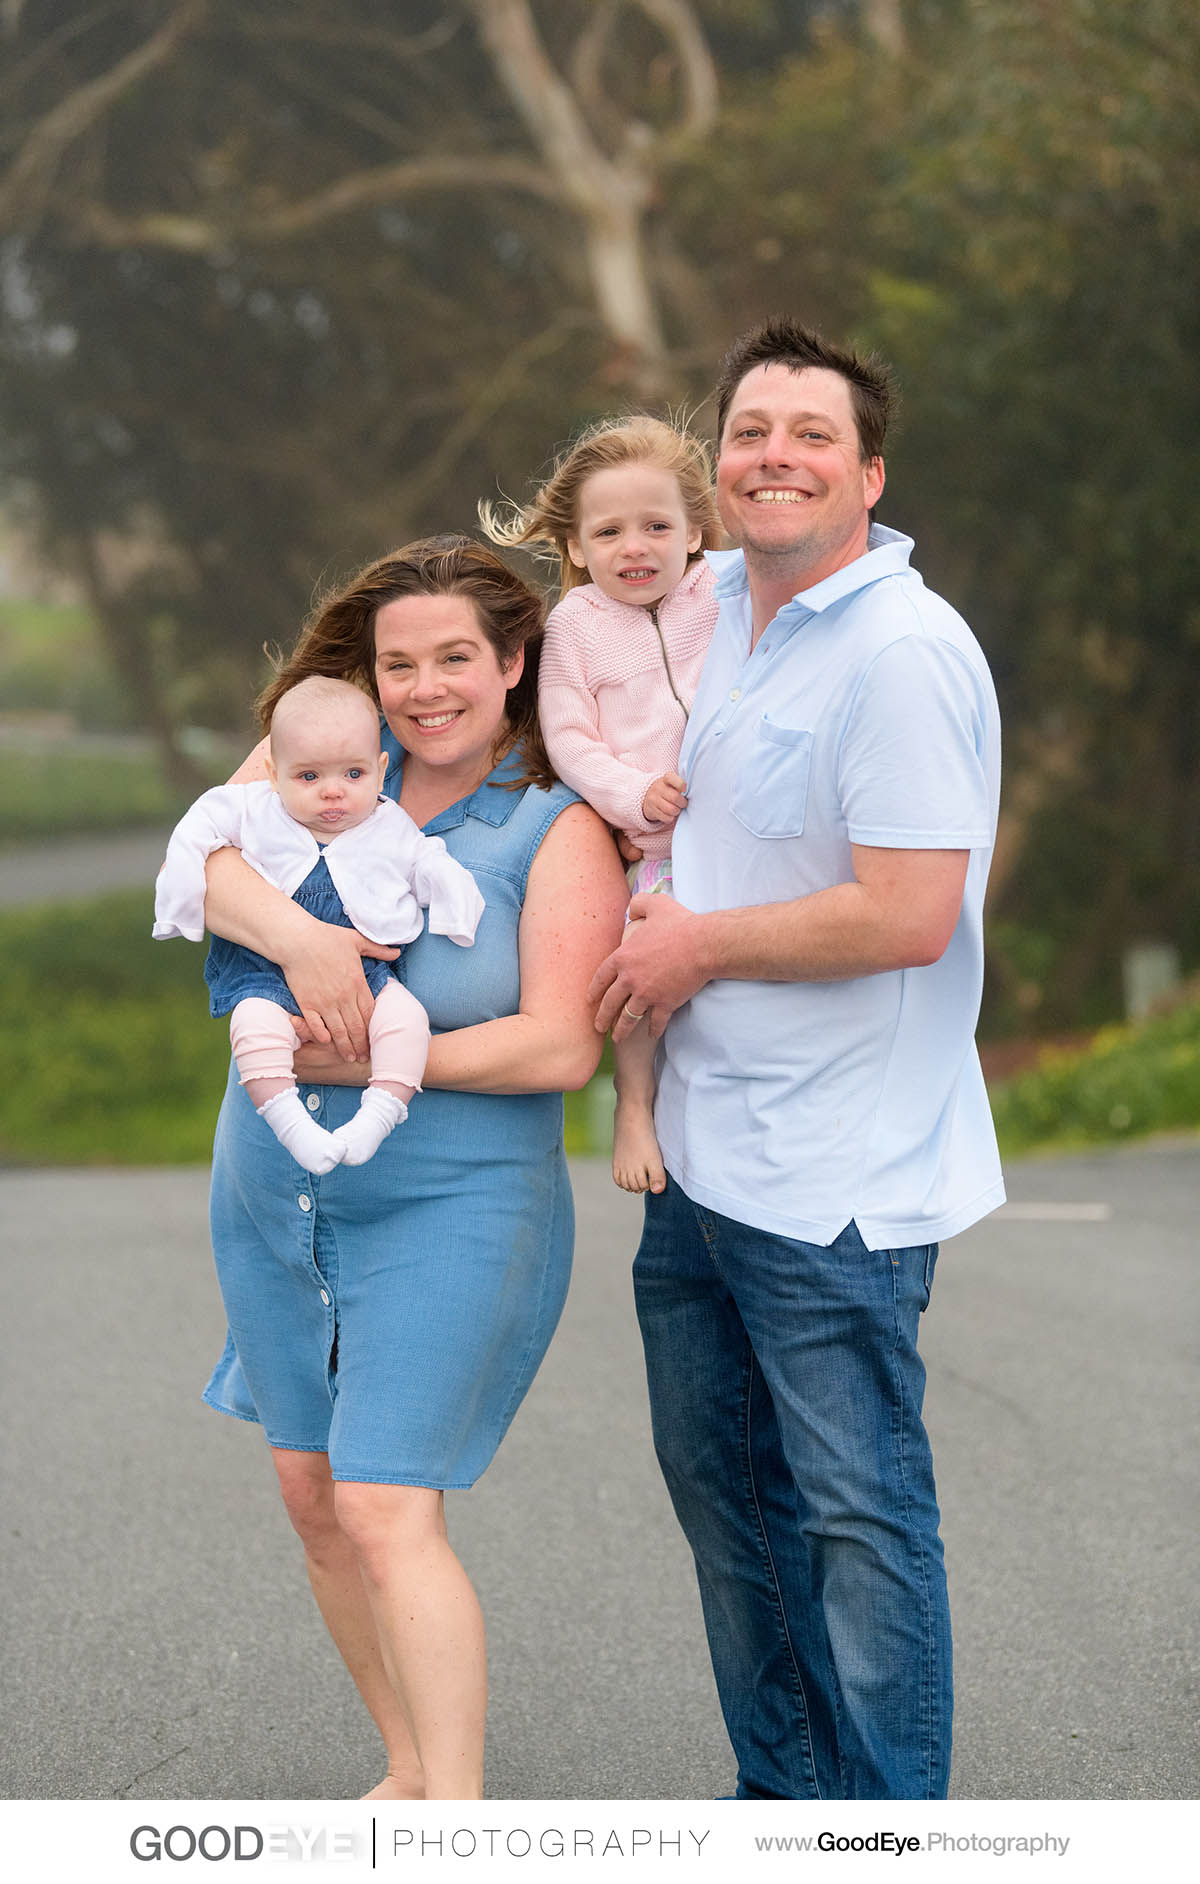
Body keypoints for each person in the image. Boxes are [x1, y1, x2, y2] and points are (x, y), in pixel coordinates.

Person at [590, 321, 1005, 1800]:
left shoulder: (898, 651)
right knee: (730, 1509)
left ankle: (888, 1829)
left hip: (836, 1175)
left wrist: (692, 948)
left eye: (809, 433)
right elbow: (477, 655)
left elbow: (907, 913)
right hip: (700, 1153)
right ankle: (788, 1807)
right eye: (750, 429)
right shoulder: (715, 611)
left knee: (855, 1512)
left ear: (868, 473)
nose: (774, 453)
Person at [198, 536, 628, 1801]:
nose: (426, 687)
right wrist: (306, 948)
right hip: (277, 1188)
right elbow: (208, 861)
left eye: (456, 658)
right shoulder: (320, 767)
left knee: (385, 1503)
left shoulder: (554, 829)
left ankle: (459, 1815)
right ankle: (406, 1759)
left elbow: (560, 1045)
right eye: (400, 663)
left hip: (455, 1199)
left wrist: (376, 1050)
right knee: (313, 1493)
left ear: (512, 666)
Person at [482, 416, 720, 1194]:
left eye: (657, 526)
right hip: (653, 843)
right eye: (610, 531)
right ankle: (636, 1103)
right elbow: (570, 738)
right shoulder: (575, 627)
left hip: (741, 837)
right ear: (578, 547)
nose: (636, 547)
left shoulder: (725, 590)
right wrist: (635, 797)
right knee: (641, 990)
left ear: (693, 534)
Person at [153, 674, 484, 1173]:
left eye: (353, 776)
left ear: (379, 769)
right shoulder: (257, 810)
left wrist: (455, 907)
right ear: (274, 773)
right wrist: (178, 899)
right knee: (253, 1028)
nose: (333, 793)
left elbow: (429, 863)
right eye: (309, 777)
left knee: (405, 1022)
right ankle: (292, 1126)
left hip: (366, 976)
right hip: (261, 972)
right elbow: (198, 826)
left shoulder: (388, 824)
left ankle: (377, 1116)